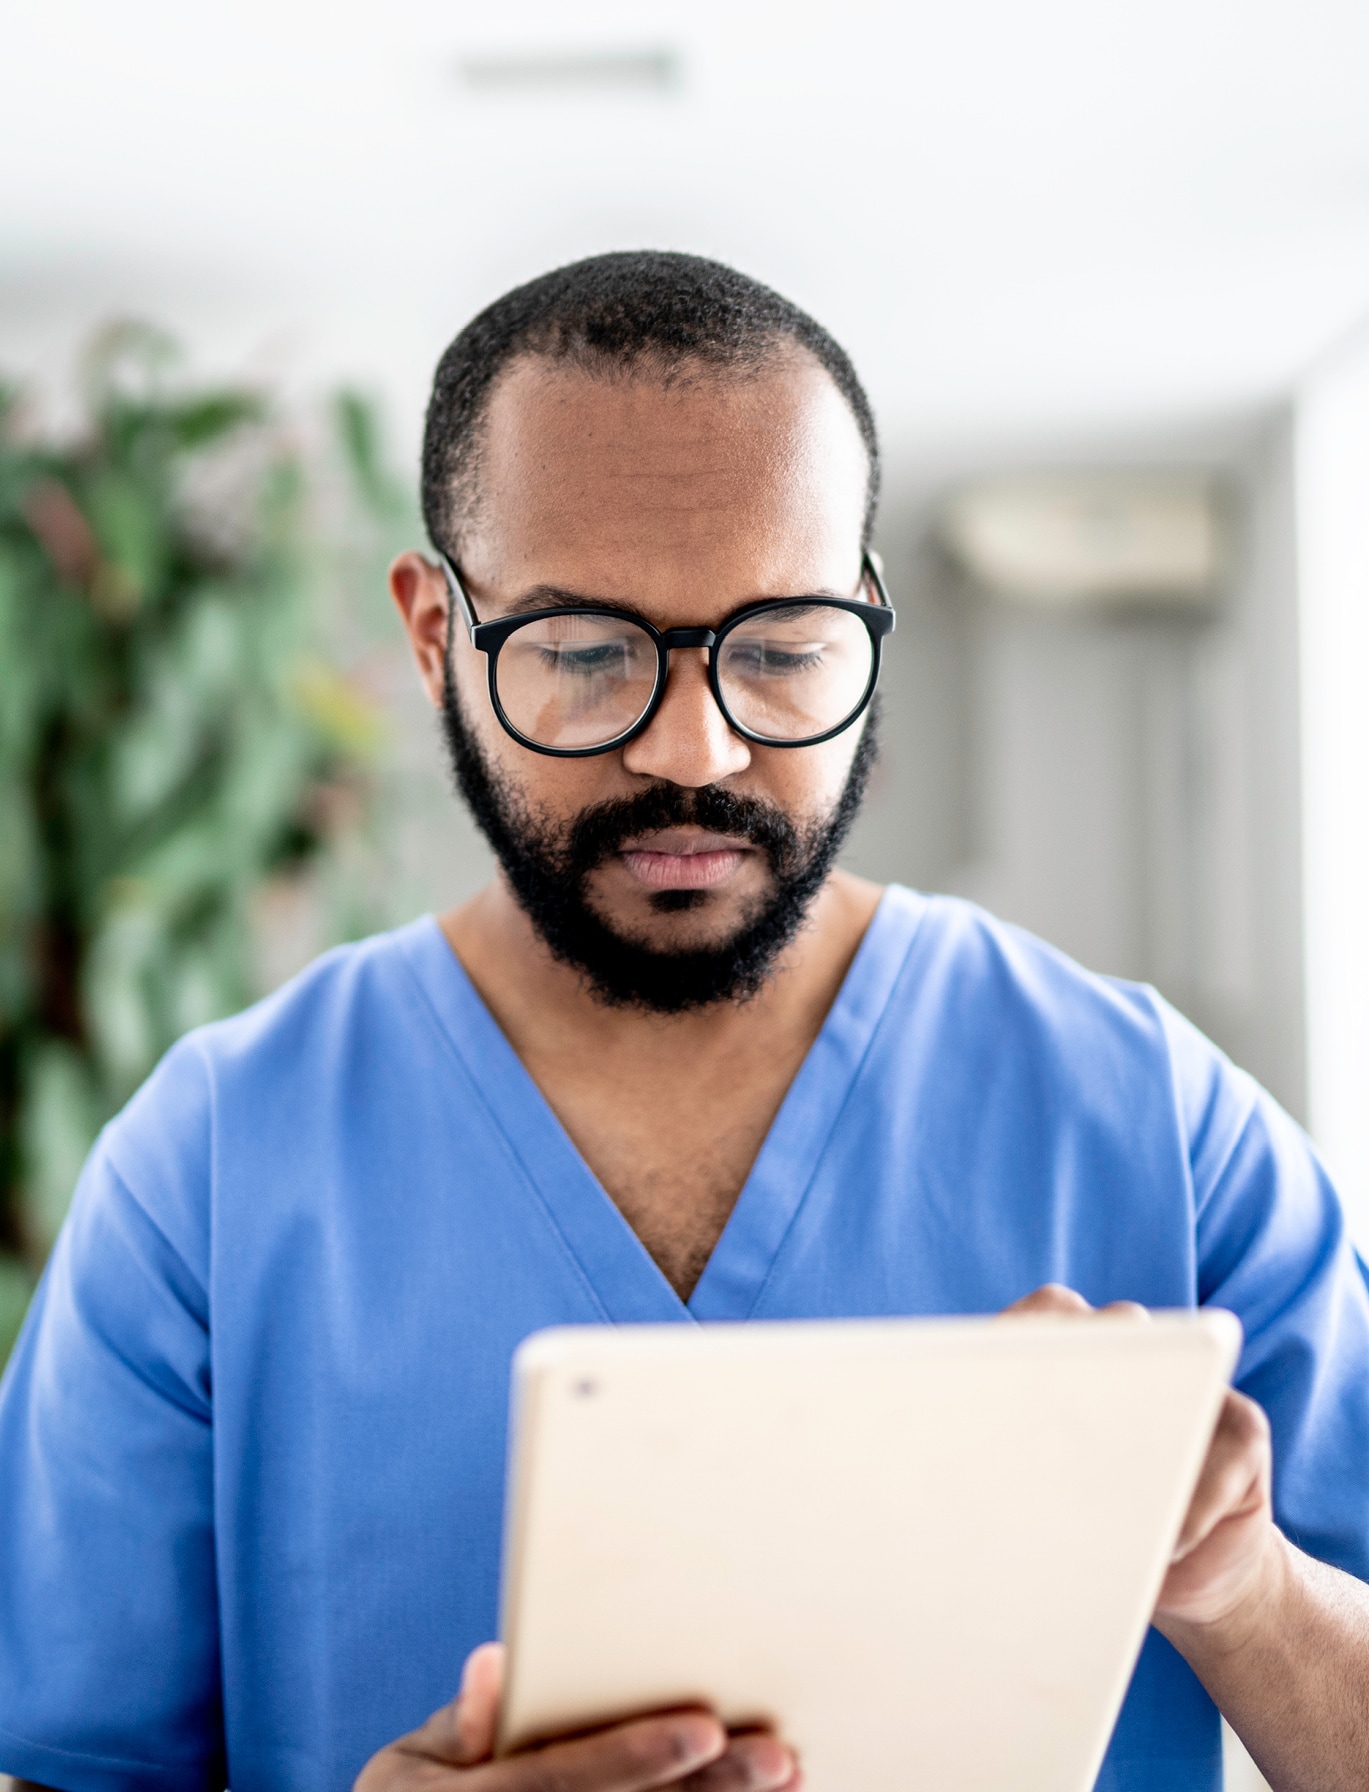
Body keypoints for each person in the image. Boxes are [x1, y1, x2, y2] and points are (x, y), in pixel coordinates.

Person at [1, 252, 1367, 1792]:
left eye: (780, 647)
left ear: (863, 616)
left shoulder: (1147, 1117)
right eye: (585, 654)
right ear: (437, 634)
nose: (695, 746)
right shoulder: (210, 1169)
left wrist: (1242, 1589)